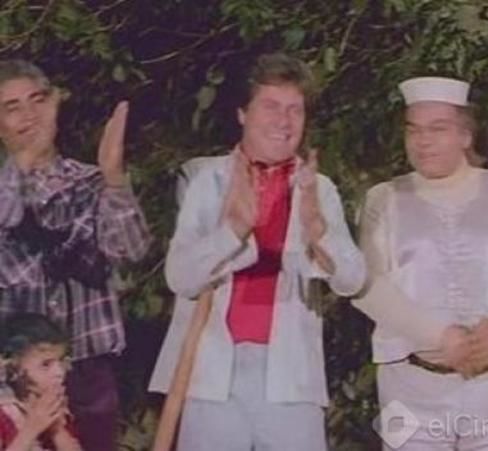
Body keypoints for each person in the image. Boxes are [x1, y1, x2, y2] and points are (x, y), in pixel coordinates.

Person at [149, 53, 366, 451]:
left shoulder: (317, 188)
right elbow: (179, 277)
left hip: (290, 378)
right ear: (242, 114)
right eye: (271, 106)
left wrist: (318, 232)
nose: (284, 121)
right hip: (211, 376)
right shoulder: (207, 180)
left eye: (295, 109)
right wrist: (233, 230)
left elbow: (352, 281)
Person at [353, 76, 488, 450]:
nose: (423, 141)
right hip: (408, 386)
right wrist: (439, 336)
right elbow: (368, 287)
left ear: (465, 135)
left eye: (438, 129)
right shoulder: (384, 198)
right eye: (414, 130)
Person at [0, 60, 151, 451]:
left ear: (54, 104)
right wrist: (23, 164)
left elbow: (132, 249)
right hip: (12, 376)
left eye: (37, 100)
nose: (29, 115)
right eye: (12, 107)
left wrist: (114, 177)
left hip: (88, 372)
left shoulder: (90, 182)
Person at [0, 312, 81, 451]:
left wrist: (57, 430)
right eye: (46, 364)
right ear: (13, 367)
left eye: (61, 361)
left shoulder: (58, 408)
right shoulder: (4, 413)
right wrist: (32, 428)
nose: (59, 372)